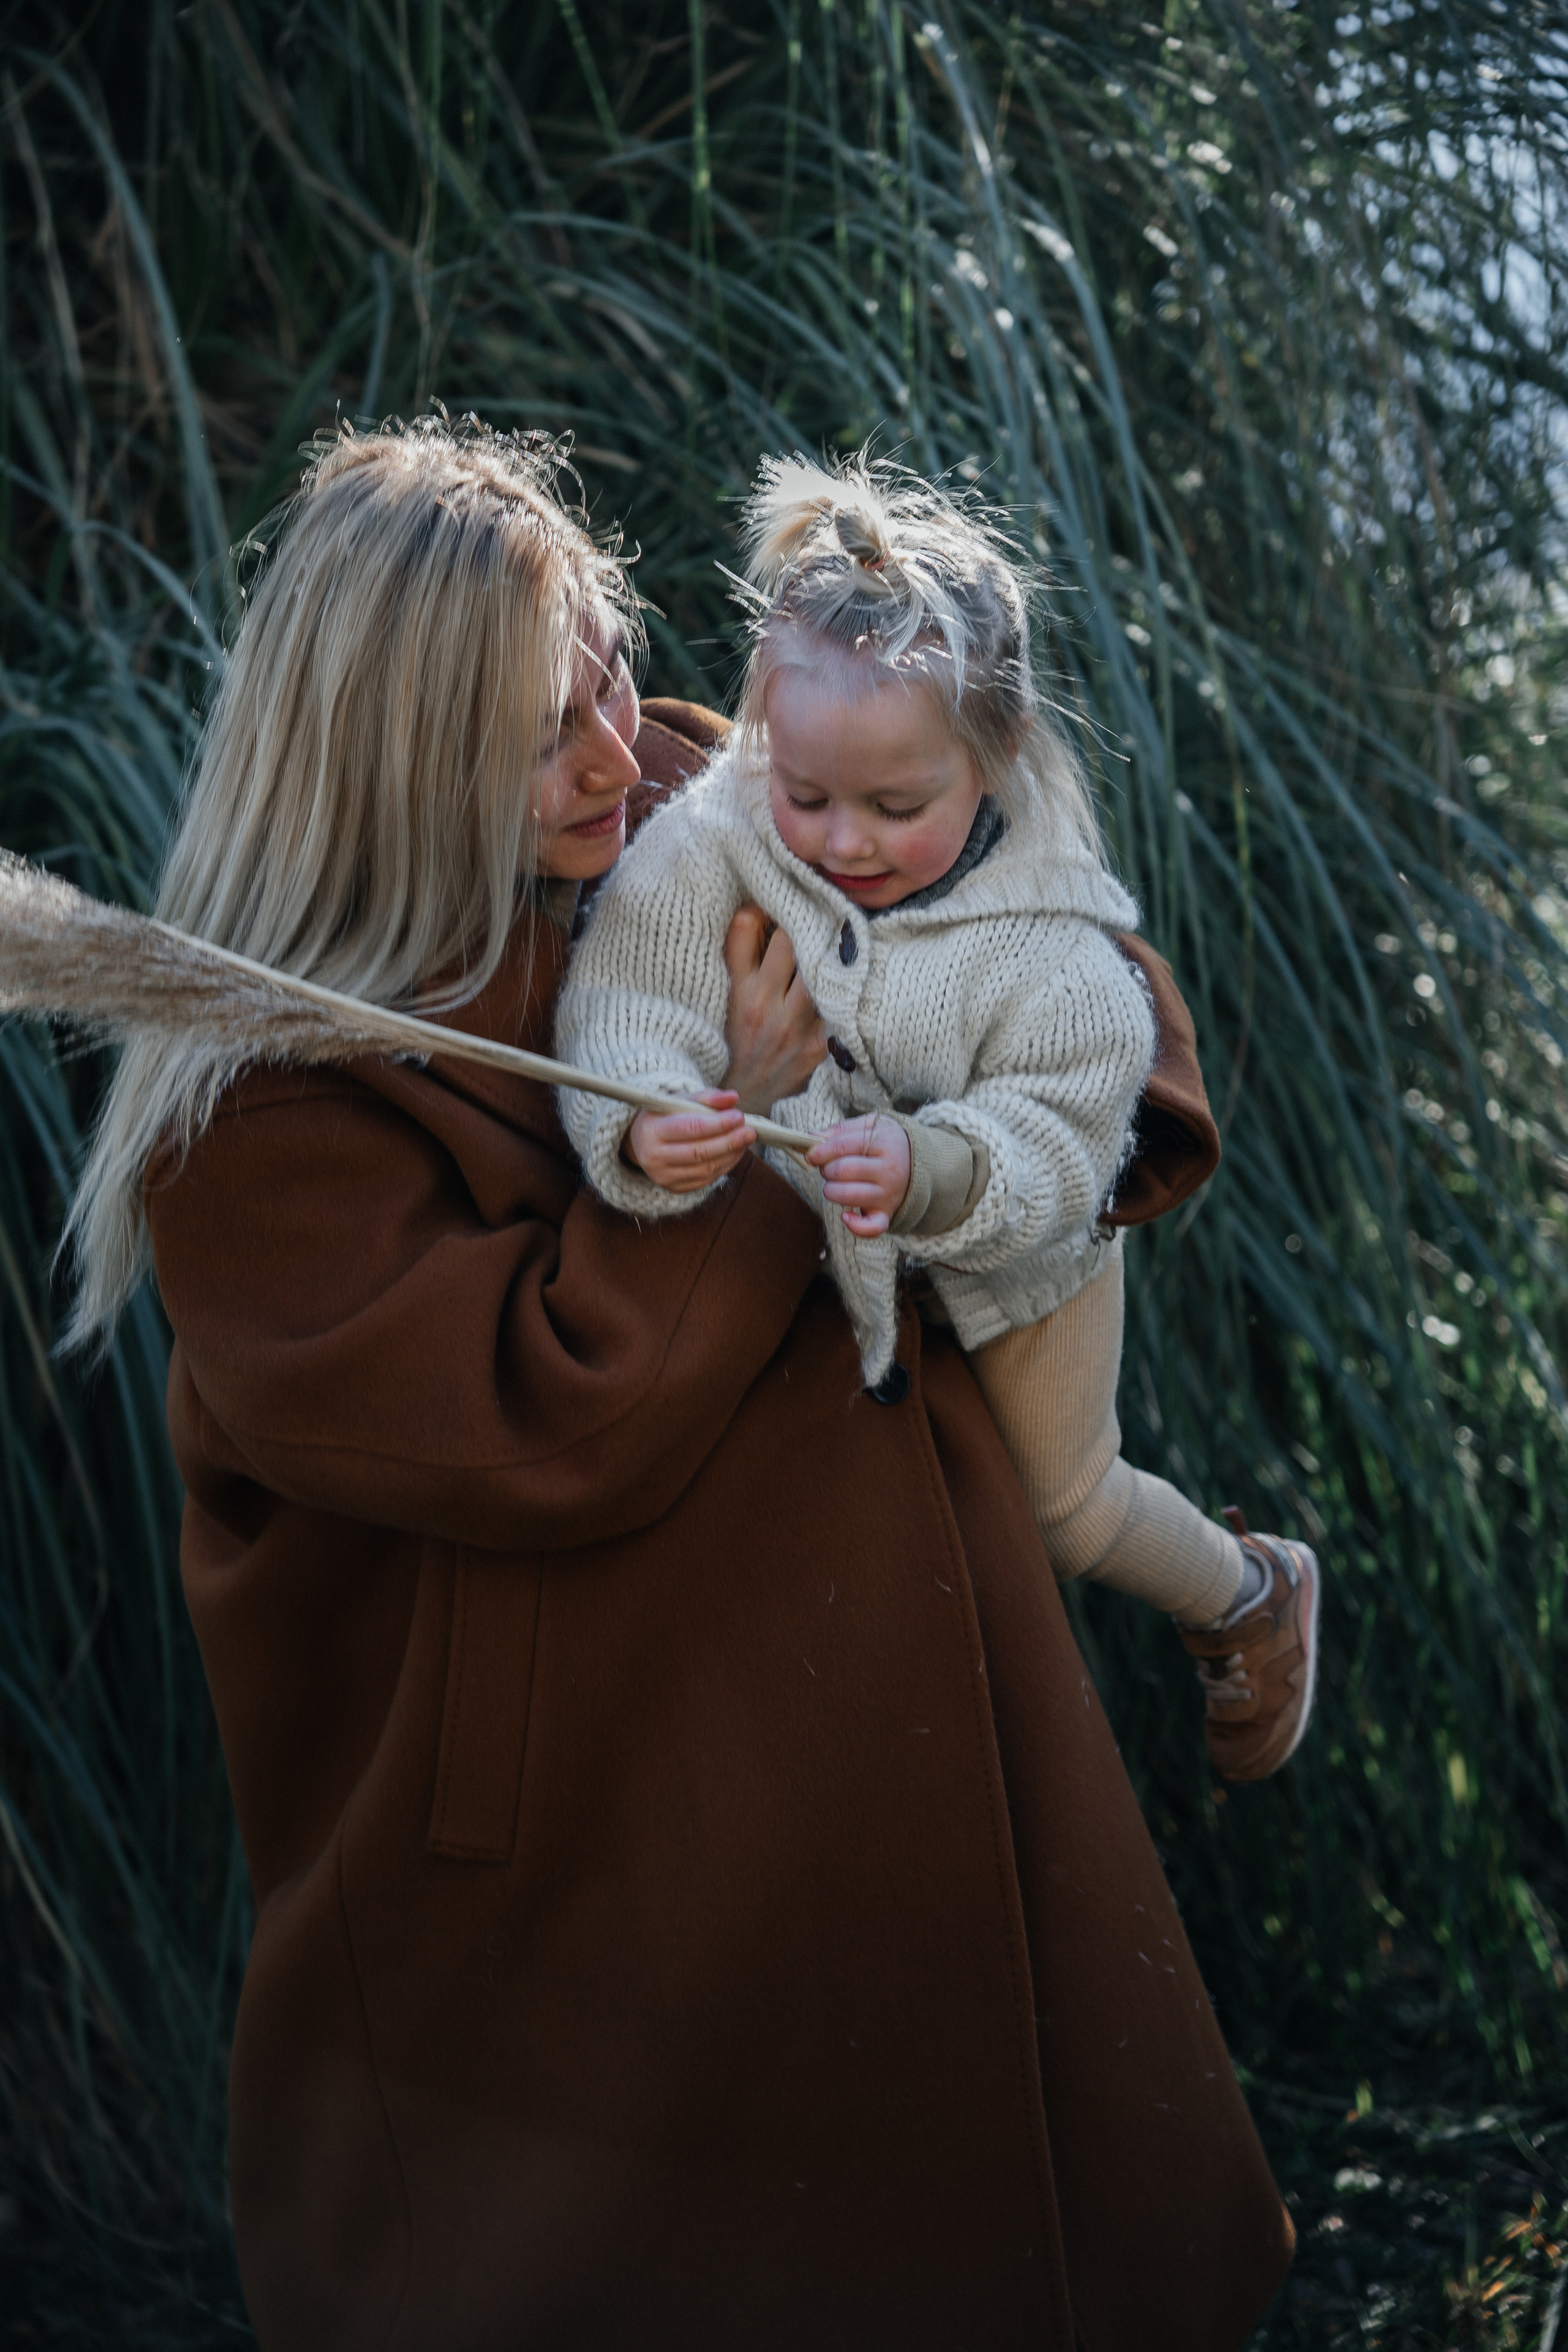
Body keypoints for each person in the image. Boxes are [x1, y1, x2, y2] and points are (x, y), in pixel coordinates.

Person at [66, 419, 1294, 2348]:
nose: (612, 752)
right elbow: (564, 1418)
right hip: (597, 1892)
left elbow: (1000, 902)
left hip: (891, 1729)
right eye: (537, 729)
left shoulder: (686, 793)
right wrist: (761, 1118)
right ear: (391, 758)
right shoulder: (253, 1124)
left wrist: (1025, 1093)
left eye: (611, 677)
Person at [556, 453, 1319, 1784]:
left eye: (895, 808)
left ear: (993, 756)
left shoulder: (1059, 949)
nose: (841, 840)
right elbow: (627, 994)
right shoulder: (713, 832)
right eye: (806, 794)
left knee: (1056, 1511)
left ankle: (1246, 1592)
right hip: (802, 1256)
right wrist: (645, 1119)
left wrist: (934, 1168)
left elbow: (1060, 1145)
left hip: (1026, 1260)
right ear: (762, 738)